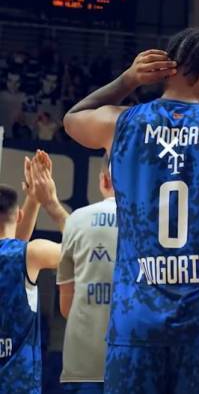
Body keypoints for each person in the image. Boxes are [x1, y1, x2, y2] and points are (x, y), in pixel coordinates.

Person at [62, 28, 199, 394]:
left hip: (135, 328)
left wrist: (128, 80)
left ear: (165, 70)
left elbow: (73, 118)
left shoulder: (121, 125)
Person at [55, 154, 116, 394]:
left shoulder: (76, 220)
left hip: (81, 364)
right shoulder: (148, 223)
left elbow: (66, 307)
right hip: (133, 363)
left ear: (103, 180)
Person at [0, 171, 63, 392]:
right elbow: (80, 250)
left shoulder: (24, 254)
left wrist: (33, 200)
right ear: (18, 215)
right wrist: (51, 203)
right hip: (19, 386)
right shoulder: (30, 254)